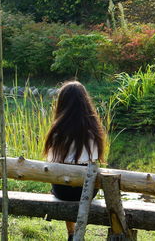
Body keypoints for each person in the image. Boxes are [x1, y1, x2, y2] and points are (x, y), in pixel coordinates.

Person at [43, 81, 106, 241]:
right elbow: (94, 158)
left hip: (62, 190)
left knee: (63, 181)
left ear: (62, 102)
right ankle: (77, 232)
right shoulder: (94, 130)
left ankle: (72, 233)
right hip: (86, 189)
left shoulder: (57, 131)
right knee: (81, 182)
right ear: (85, 102)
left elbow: (52, 162)